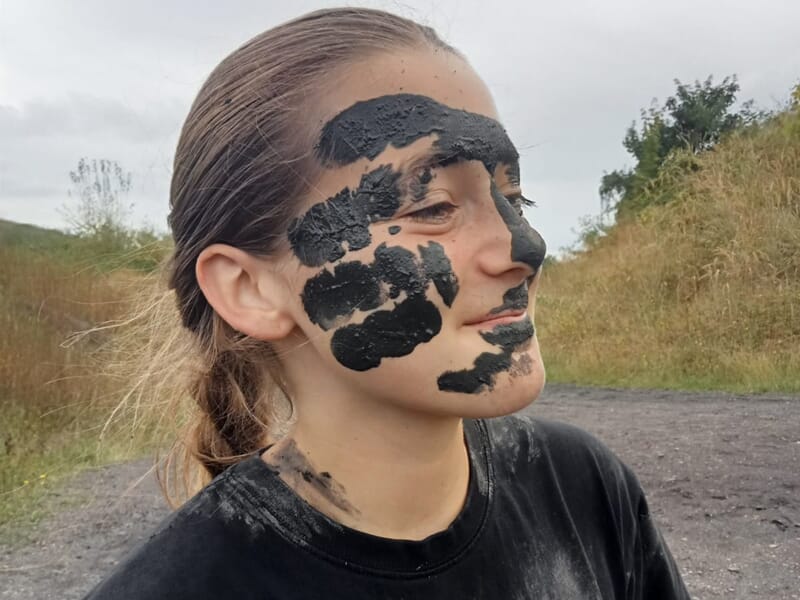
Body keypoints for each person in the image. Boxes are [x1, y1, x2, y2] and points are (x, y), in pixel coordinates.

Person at [85, 7, 689, 599]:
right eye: (433, 207)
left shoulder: (583, 489)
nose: (525, 247)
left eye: (514, 199)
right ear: (250, 288)